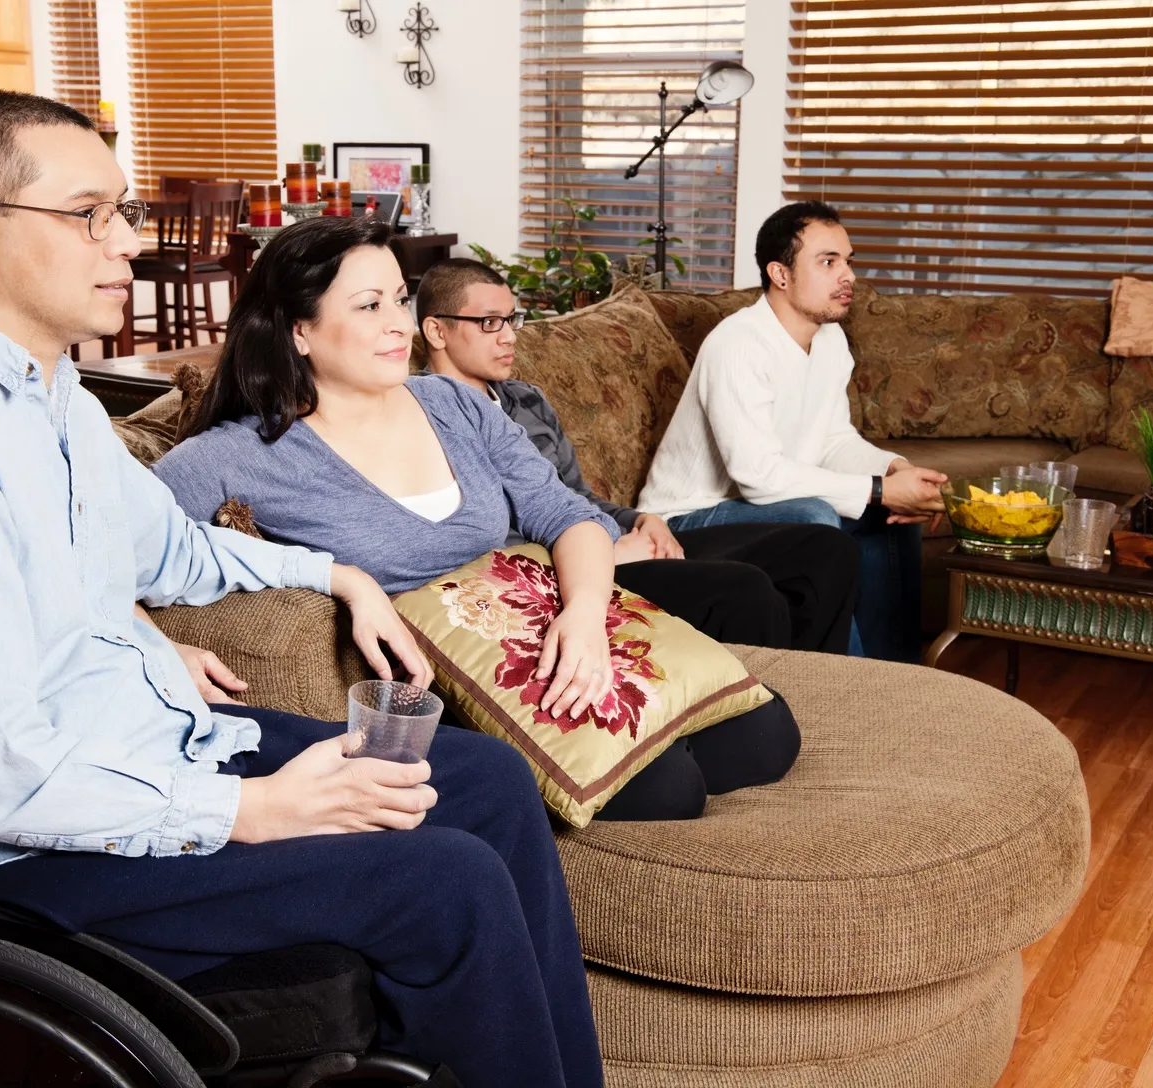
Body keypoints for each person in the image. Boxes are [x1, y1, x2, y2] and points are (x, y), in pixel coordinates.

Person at [0, 91, 603, 1088]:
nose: (127, 240)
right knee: (448, 879)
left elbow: (173, 552)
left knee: (487, 781)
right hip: (15, 858)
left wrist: (334, 572)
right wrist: (248, 808)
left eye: (120, 210)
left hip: (143, 741)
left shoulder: (50, 400)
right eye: (91, 215)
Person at [153, 216, 800, 823]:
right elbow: (84, 562)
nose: (397, 326)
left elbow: (567, 514)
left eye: (399, 300)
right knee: (669, 788)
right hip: (452, 688)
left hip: (546, 623)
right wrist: (161, 647)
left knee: (768, 735)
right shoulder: (233, 455)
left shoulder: (451, 405)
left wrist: (584, 617)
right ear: (300, 329)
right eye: (368, 306)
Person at [415, 257, 859, 656]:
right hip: (565, 575)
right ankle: (765, 718)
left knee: (825, 549)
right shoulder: (424, 421)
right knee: (745, 590)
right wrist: (603, 554)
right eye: (490, 323)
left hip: (615, 541)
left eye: (512, 319)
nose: (510, 336)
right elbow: (475, 544)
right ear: (437, 330)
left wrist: (640, 520)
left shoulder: (526, 401)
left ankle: (818, 694)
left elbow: (576, 496)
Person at [635, 201, 948, 663]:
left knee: (891, 523)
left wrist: (893, 468)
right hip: (687, 518)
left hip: (758, 507)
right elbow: (758, 476)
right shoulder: (738, 343)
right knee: (814, 519)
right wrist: (880, 489)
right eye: (828, 262)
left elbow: (832, 440)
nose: (849, 276)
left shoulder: (829, 339)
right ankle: (846, 685)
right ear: (780, 274)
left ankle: (895, 675)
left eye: (848, 261)